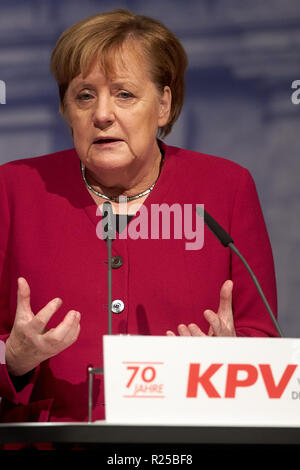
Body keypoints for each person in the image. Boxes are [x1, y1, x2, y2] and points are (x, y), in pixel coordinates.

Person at [0, 9, 279, 424]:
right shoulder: (14, 188)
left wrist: (233, 358)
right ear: (65, 109)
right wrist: (13, 358)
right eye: (85, 95)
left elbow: (262, 343)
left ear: (163, 104)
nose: (102, 114)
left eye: (124, 94)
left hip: (186, 443)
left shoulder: (226, 188)